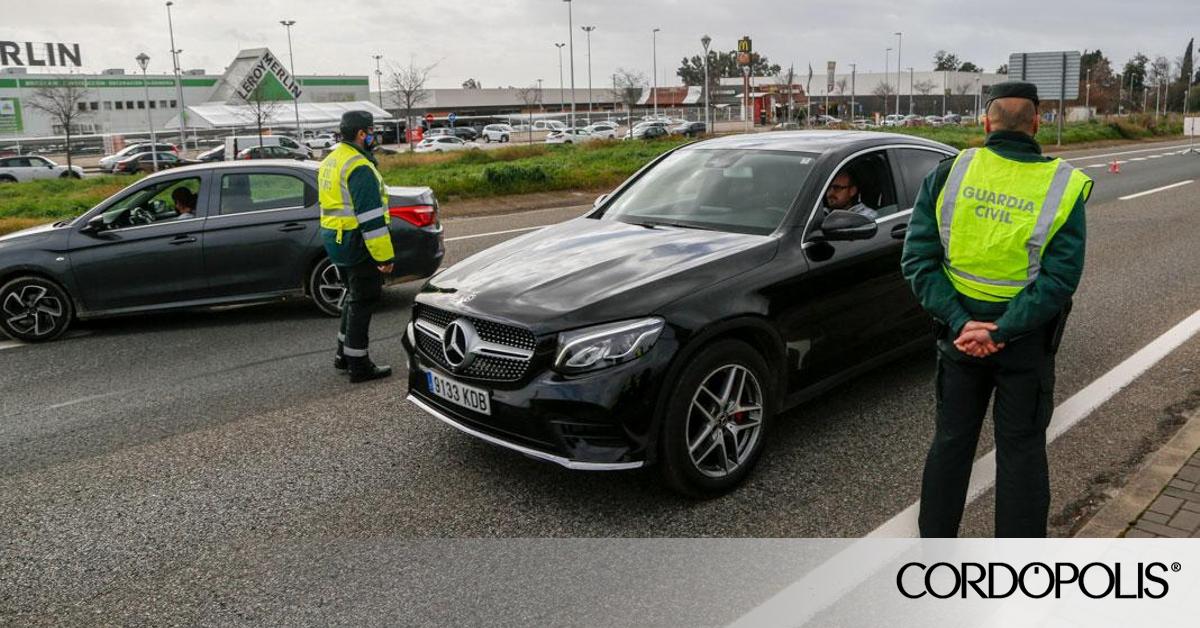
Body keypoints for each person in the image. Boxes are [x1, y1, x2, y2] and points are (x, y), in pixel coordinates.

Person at [900, 81, 1092, 537]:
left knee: (950, 445)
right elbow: (1059, 279)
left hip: (958, 339)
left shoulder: (950, 172)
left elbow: (917, 260)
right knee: (1021, 451)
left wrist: (963, 322)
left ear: (985, 123)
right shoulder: (1062, 184)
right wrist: (1002, 329)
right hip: (1024, 346)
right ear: (1037, 123)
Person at [318, 110, 395, 383]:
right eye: (372, 131)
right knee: (363, 301)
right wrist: (384, 257)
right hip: (355, 241)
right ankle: (359, 365)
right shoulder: (358, 165)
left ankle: (343, 355)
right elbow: (371, 220)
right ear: (362, 133)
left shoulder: (331, 159)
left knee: (353, 297)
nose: (375, 135)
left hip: (336, 238)